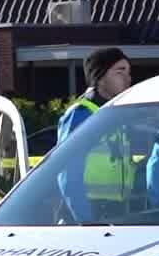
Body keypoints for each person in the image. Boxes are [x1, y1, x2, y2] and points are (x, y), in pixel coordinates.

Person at [56, 47, 135, 224]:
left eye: (128, 72)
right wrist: (86, 221)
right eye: (120, 72)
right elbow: (68, 172)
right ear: (99, 78)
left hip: (115, 214)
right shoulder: (82, 114)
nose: (128, 78)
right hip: (86, 217)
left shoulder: (117, 115)